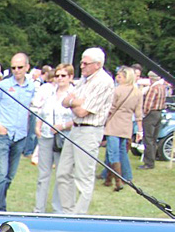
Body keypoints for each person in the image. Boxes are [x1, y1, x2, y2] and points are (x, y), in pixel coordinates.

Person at [55, 47, 115, 214]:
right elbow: (65, 101)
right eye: (81, 62)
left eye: (85, 63)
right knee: (63, 173)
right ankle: (67, 212)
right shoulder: (85, 80)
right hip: (75, 128)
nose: (81, 66)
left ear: (97, 64)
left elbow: (82, 111)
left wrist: (73, 102)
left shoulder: (103, 82)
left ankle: (79, 215)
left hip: (90, 131)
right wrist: (76, 101)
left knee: (83, 177)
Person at [0, 53, 36, 211]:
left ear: (27, 67)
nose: (16, 70)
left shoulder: (31, 87)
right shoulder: (4, 86)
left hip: (20, 136)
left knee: (10, 176)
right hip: (3, 136)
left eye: (20, 67)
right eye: (13, 67)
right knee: (1, 174)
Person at [32, 62, 75, 212]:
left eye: (63, 75)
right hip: (45, 135)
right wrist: (37, 126)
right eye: (57, 75)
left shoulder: (74, 94)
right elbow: (41, 111)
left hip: (63, 138)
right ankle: (39, 208)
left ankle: (58, 209)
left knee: (61, 175)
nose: (60, 78)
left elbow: (78, 118)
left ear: (70, 77)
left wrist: (62, 126)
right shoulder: (49, 92)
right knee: (43, 174)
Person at [101, 66, 143, 192]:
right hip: (126, 125)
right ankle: (112, 178)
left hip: (114, 124)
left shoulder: (117, 90)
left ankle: (117, 181)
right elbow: (138, 113)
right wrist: (140, 130)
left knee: (113, 153)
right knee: (120, 151)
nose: (117, 78)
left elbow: (111, 108)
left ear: (125, 77)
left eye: (119, 76)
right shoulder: (137, 92)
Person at [139, 71, 171, 170]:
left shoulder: (153, 88)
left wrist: (143, 114)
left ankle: (148, 163)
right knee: (153, 139)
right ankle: (152, 160)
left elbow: (148, 104)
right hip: (159, 113)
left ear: (151, 78)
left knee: (147, 139)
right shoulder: (162, 87)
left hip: (151, 114)